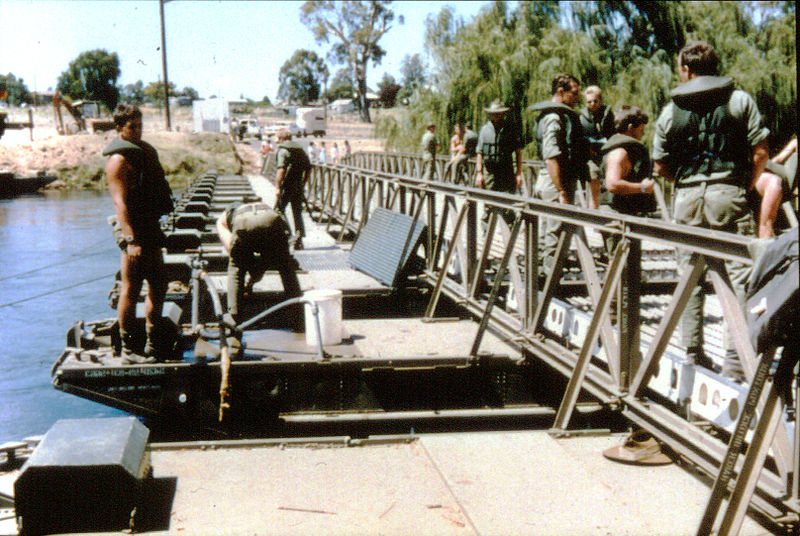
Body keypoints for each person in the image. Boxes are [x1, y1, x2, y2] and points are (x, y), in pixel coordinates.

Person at [652, 40, 769, 383]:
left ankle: (692, 350)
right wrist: (745, 184)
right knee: (740, 276)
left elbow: (660, 164)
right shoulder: (738, 99)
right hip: (729, 193)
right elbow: (761, 151)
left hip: (687, 198)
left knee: (690, 277)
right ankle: (737, 360)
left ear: (686, 70)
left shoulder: (671, 108)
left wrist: (685, 183)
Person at [103, 104, 174, 364]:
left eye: (140, 126)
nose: (137, 131)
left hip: (150, 228)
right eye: (132, 126)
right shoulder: (118, 162)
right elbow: (119, 203)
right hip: (134, 231)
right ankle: (129, 350)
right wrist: (130, 240)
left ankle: (154, 346)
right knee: (131, 289)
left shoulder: (143, 154)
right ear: (119, 128)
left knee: (159, 285)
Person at [529, 74, 590, 273]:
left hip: (551, 179)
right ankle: (549, 280)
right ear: (561, 92)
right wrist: (561, 190)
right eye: (574, 93)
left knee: (548, 230)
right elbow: (551, 157)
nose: (576, 97)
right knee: (555, 232)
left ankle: (542, 275)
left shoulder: (552, 116)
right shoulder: (554, 118)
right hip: (555, 180)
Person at [216, 202, 302, 329]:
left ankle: (234, 317)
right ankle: (298, 313)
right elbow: (267, 260)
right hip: (271, 219)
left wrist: (248, 274)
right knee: (285, 267)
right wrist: (252, 280)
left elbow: (233, 251)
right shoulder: (263, 206)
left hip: (242, 222)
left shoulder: (223, 219)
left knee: (236, 268)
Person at [601, 105, 656, 255]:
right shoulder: (620, 152)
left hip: (625, 214)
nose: (643, 133)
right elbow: (612, 184)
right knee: (620, 269)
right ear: (631, 127)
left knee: (630, 266)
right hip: (616, 215)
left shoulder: (625, 149)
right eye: (641, 129)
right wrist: (643, 188)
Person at [475, 100, 524, 226]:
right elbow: (479, 153)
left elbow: (518, 153)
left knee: (508, 203)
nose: (497, 116)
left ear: (504, 114)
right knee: (488, 204)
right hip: (489, 172)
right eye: (495, 114)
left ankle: (510, 232)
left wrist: (518, 173)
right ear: (490, 114)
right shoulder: (484, 130)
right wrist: (479, 173)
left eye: (500, 114)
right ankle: (486, 234)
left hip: (506, 171)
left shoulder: (511, 129)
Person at [275, 128, 312, 250]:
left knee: (279, 210)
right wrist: (303, 182)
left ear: (281, 138)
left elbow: (281, 170)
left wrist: (277, 187)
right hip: (298, 186)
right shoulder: (300, 149)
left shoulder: (283, 150)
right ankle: (299, 238)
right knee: (297, 212)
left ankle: (289, 235)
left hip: (287, 186)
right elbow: (309, 168)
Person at [753, 136, 797, 237]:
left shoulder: (795, 142)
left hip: (786, 177)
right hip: (788, 181)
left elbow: (779, 158)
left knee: (758, 162)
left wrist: (765, 165)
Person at [580, 86, 615, 207]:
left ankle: (611, 211)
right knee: (594, 183)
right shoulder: (581, 117)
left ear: (600, 100)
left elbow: (612, 135)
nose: (592, 104)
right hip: (590, 156)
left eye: (595, 101)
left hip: (606, 154)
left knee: (610, 183)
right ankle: (593, 214)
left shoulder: (608, 115)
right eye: (589, 102)